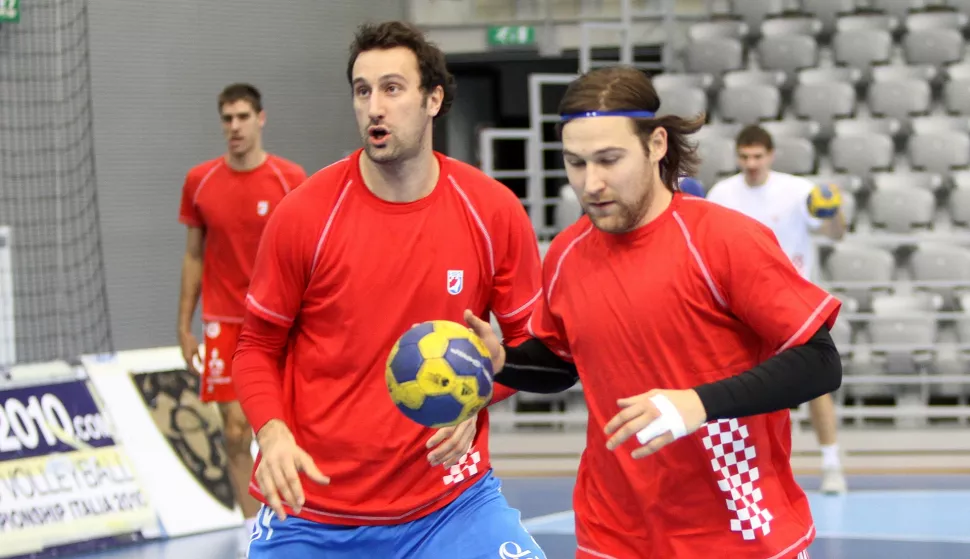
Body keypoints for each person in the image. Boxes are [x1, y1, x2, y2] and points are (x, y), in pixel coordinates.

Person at [464, 66, 842, 559]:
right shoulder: (565, 255)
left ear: (657, 144)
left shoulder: (726, 240)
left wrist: (698, 403)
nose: (591, 182)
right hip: (613, 533)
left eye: (609, 159)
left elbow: (820, 361)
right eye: (575, 163)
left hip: (738, 533)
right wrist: (503, 362)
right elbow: (562, 364)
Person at [232, 21, 546, 559]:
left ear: (433, 99)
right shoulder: (305, 215)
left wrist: (482, 389)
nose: (374, 106)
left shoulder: (490, 210)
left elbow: (533, 348)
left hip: (451, 505)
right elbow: (255, 347)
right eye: (362, 90)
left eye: (392, 88)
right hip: (314, 511)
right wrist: (273, 432)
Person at [177, 83, 307, 557]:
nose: (234, 127)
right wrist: (182, 325)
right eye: (226, 119)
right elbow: (193, 256)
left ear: (260, 119)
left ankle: (300, 521)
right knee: (235, 431)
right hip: (223, 323)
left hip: (283, 322)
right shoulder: (200, 181)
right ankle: (253, 533)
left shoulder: (289, 178)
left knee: (286, 426)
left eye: (242, 117)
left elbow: (307, 251)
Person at [706, 124, 848, 494]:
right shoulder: (723, 193)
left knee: (816, 385)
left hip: (793, 305)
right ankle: (741, 473)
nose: (751, 163)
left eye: (758, 156)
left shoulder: (798, 191)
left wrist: (835, 211)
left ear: (770, 156)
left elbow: (835, 234)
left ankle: (832, 465)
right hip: (740, 306)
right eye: (745, 157)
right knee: (741, 389)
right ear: (737, 156)